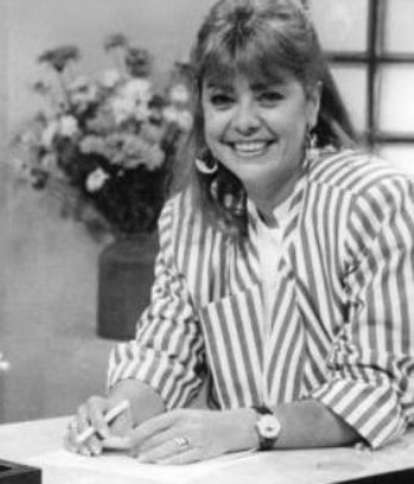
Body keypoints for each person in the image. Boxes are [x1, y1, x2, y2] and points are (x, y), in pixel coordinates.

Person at [67, 0, 414, 464]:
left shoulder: (373, 201)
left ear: (311, 104)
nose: (244, 121)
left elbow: (372, 390)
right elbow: (164, 354)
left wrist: (248, 426)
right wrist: (117, 412)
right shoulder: (186, 219)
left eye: (268, 97)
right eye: (223, 99)